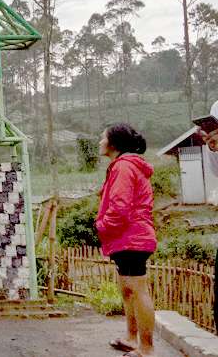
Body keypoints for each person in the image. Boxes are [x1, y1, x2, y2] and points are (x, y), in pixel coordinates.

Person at [97, 124, 157, 357]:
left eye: (103, 138)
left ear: (114, 144)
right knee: (128, 290)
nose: (100, 142)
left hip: (132, 237)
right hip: (128, 236)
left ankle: (147, 348)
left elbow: (119, 207)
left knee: (138, 289)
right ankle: (132, 338)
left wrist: (102, 226)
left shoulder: (123, 167)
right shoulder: (124, 166)